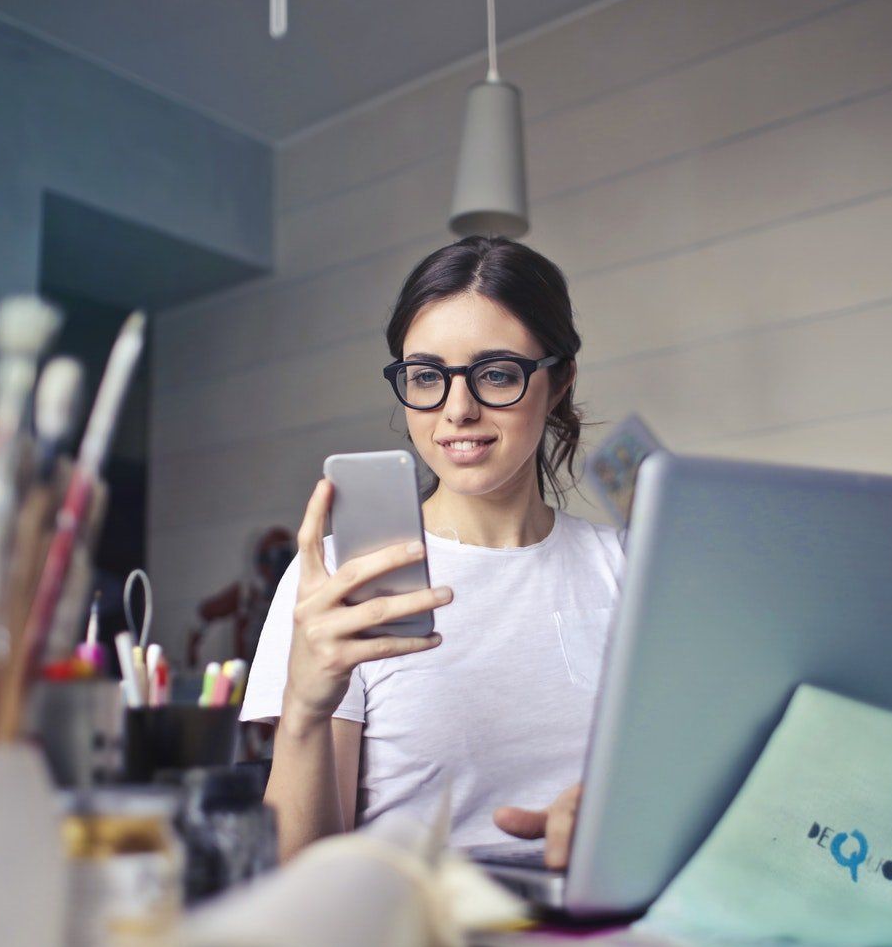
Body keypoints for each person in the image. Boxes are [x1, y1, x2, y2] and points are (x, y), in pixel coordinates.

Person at [241, 235, 624, 866]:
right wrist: (306, 708)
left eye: (497, 373)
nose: (458, 410)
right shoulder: (342, 579)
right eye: (426, 377)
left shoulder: (628, 570)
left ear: (558, 383)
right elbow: (300, 875)